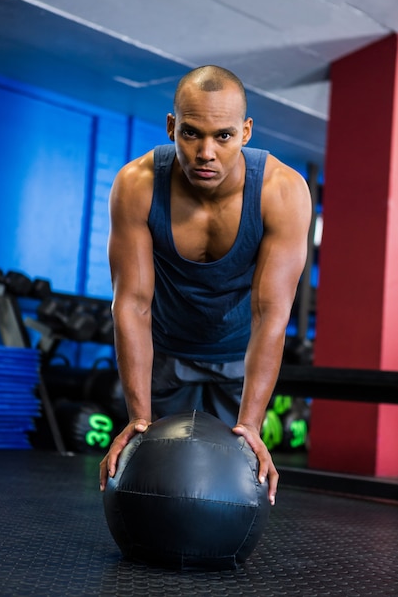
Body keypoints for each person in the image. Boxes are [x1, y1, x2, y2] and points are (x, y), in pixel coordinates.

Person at [99, 65, 311, 505]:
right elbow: (132, 304)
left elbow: (270, 313)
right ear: (172, 126)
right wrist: (137, 419)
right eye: (192, 133)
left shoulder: (282, 191)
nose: (205, 152)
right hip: (165, 353)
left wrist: (251, 424)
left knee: (232, 494)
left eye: (224, 136)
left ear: (246, 131)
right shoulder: (136, 185)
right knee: (147, 485)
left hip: (239, 359)